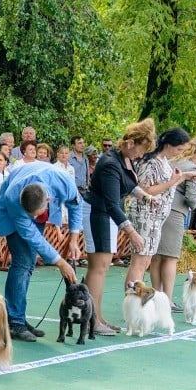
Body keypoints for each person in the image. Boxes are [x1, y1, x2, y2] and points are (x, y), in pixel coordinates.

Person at [0, 162, 82, 341]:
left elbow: (75, 206)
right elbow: (32, 236)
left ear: (48, 201)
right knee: (23, 263)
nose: (32, 218)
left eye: (35, 214)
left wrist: (74, 239)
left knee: (28, 264)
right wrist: (60, 262)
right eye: (31, 215)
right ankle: (15, 322)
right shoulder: (14, 199)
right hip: (8, 214)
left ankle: (18, 317)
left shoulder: (65, 183)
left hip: (37, 206)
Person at [83, 119, 154, 335]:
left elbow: (129, 185)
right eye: (141, 150)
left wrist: (146, 196)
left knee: (102, 267)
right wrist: (132, 232)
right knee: (99, 267)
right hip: (98, 213)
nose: (141, 156)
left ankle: (98, 317)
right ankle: (91, 321)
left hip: (106, 215)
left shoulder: (121, 158)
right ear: (131, 143)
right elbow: (113, 203)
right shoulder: (110, 163)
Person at [125, 127, 196, 287]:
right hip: (145, 215)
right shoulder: (150, 161)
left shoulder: (164, 161)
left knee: (146, 260)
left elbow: (165, 187)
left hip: (157, 218)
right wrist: (172, 181)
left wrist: (183, 177)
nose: (179, 153)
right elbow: (145, 190)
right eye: (179, 149)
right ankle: (132, 300)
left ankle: (136, 301)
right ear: (169, 145)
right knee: (140, 261)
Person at [154, 138, 196, 306]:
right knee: (171, 257)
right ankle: (168, 300)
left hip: (160, 209)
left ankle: (157, 295)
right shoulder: (192, 168)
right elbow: (191, 199)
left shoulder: (174, 161)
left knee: (156, 256)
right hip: (176, 213)